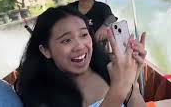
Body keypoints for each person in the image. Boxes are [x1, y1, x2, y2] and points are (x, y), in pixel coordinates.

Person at [16, 6, 147, 107]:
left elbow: (133, 99)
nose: (80, 46)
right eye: (66, 40)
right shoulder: (39, 94)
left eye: (84, 35)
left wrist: (131, 85)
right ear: (45, 50)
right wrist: (119, 89)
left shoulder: (108, 67)